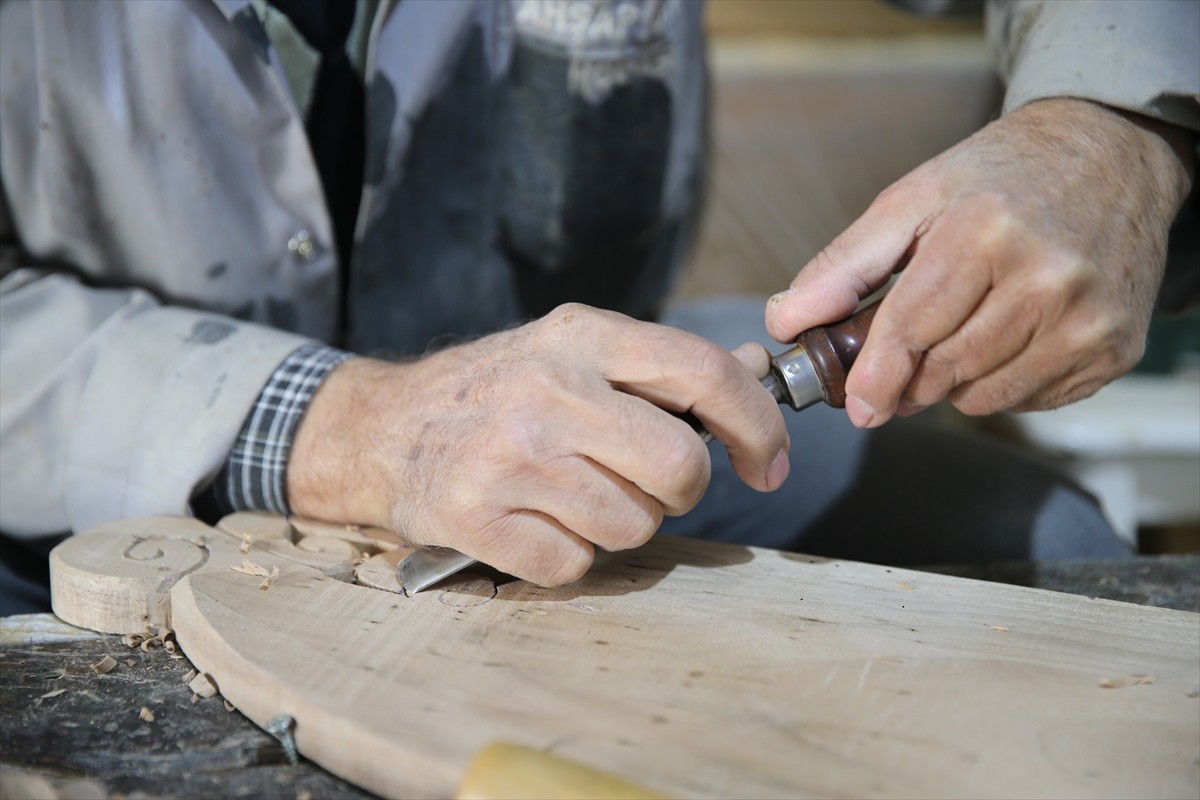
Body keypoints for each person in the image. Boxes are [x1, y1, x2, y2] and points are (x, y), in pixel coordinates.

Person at [1, 0, 1194, 615]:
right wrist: (353, 426)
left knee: (1052, 555)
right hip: (90, 492)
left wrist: (1112, 133)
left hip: (615, 445)